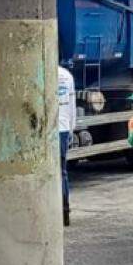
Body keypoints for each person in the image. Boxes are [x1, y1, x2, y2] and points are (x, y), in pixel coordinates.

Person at [57, 64, 76, 227]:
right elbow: (72, 106)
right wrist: (71, 130)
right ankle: (65, 211)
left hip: (47, 130)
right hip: (62, 128)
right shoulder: (66, 75)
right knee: (62, 171)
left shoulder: (43, 74)